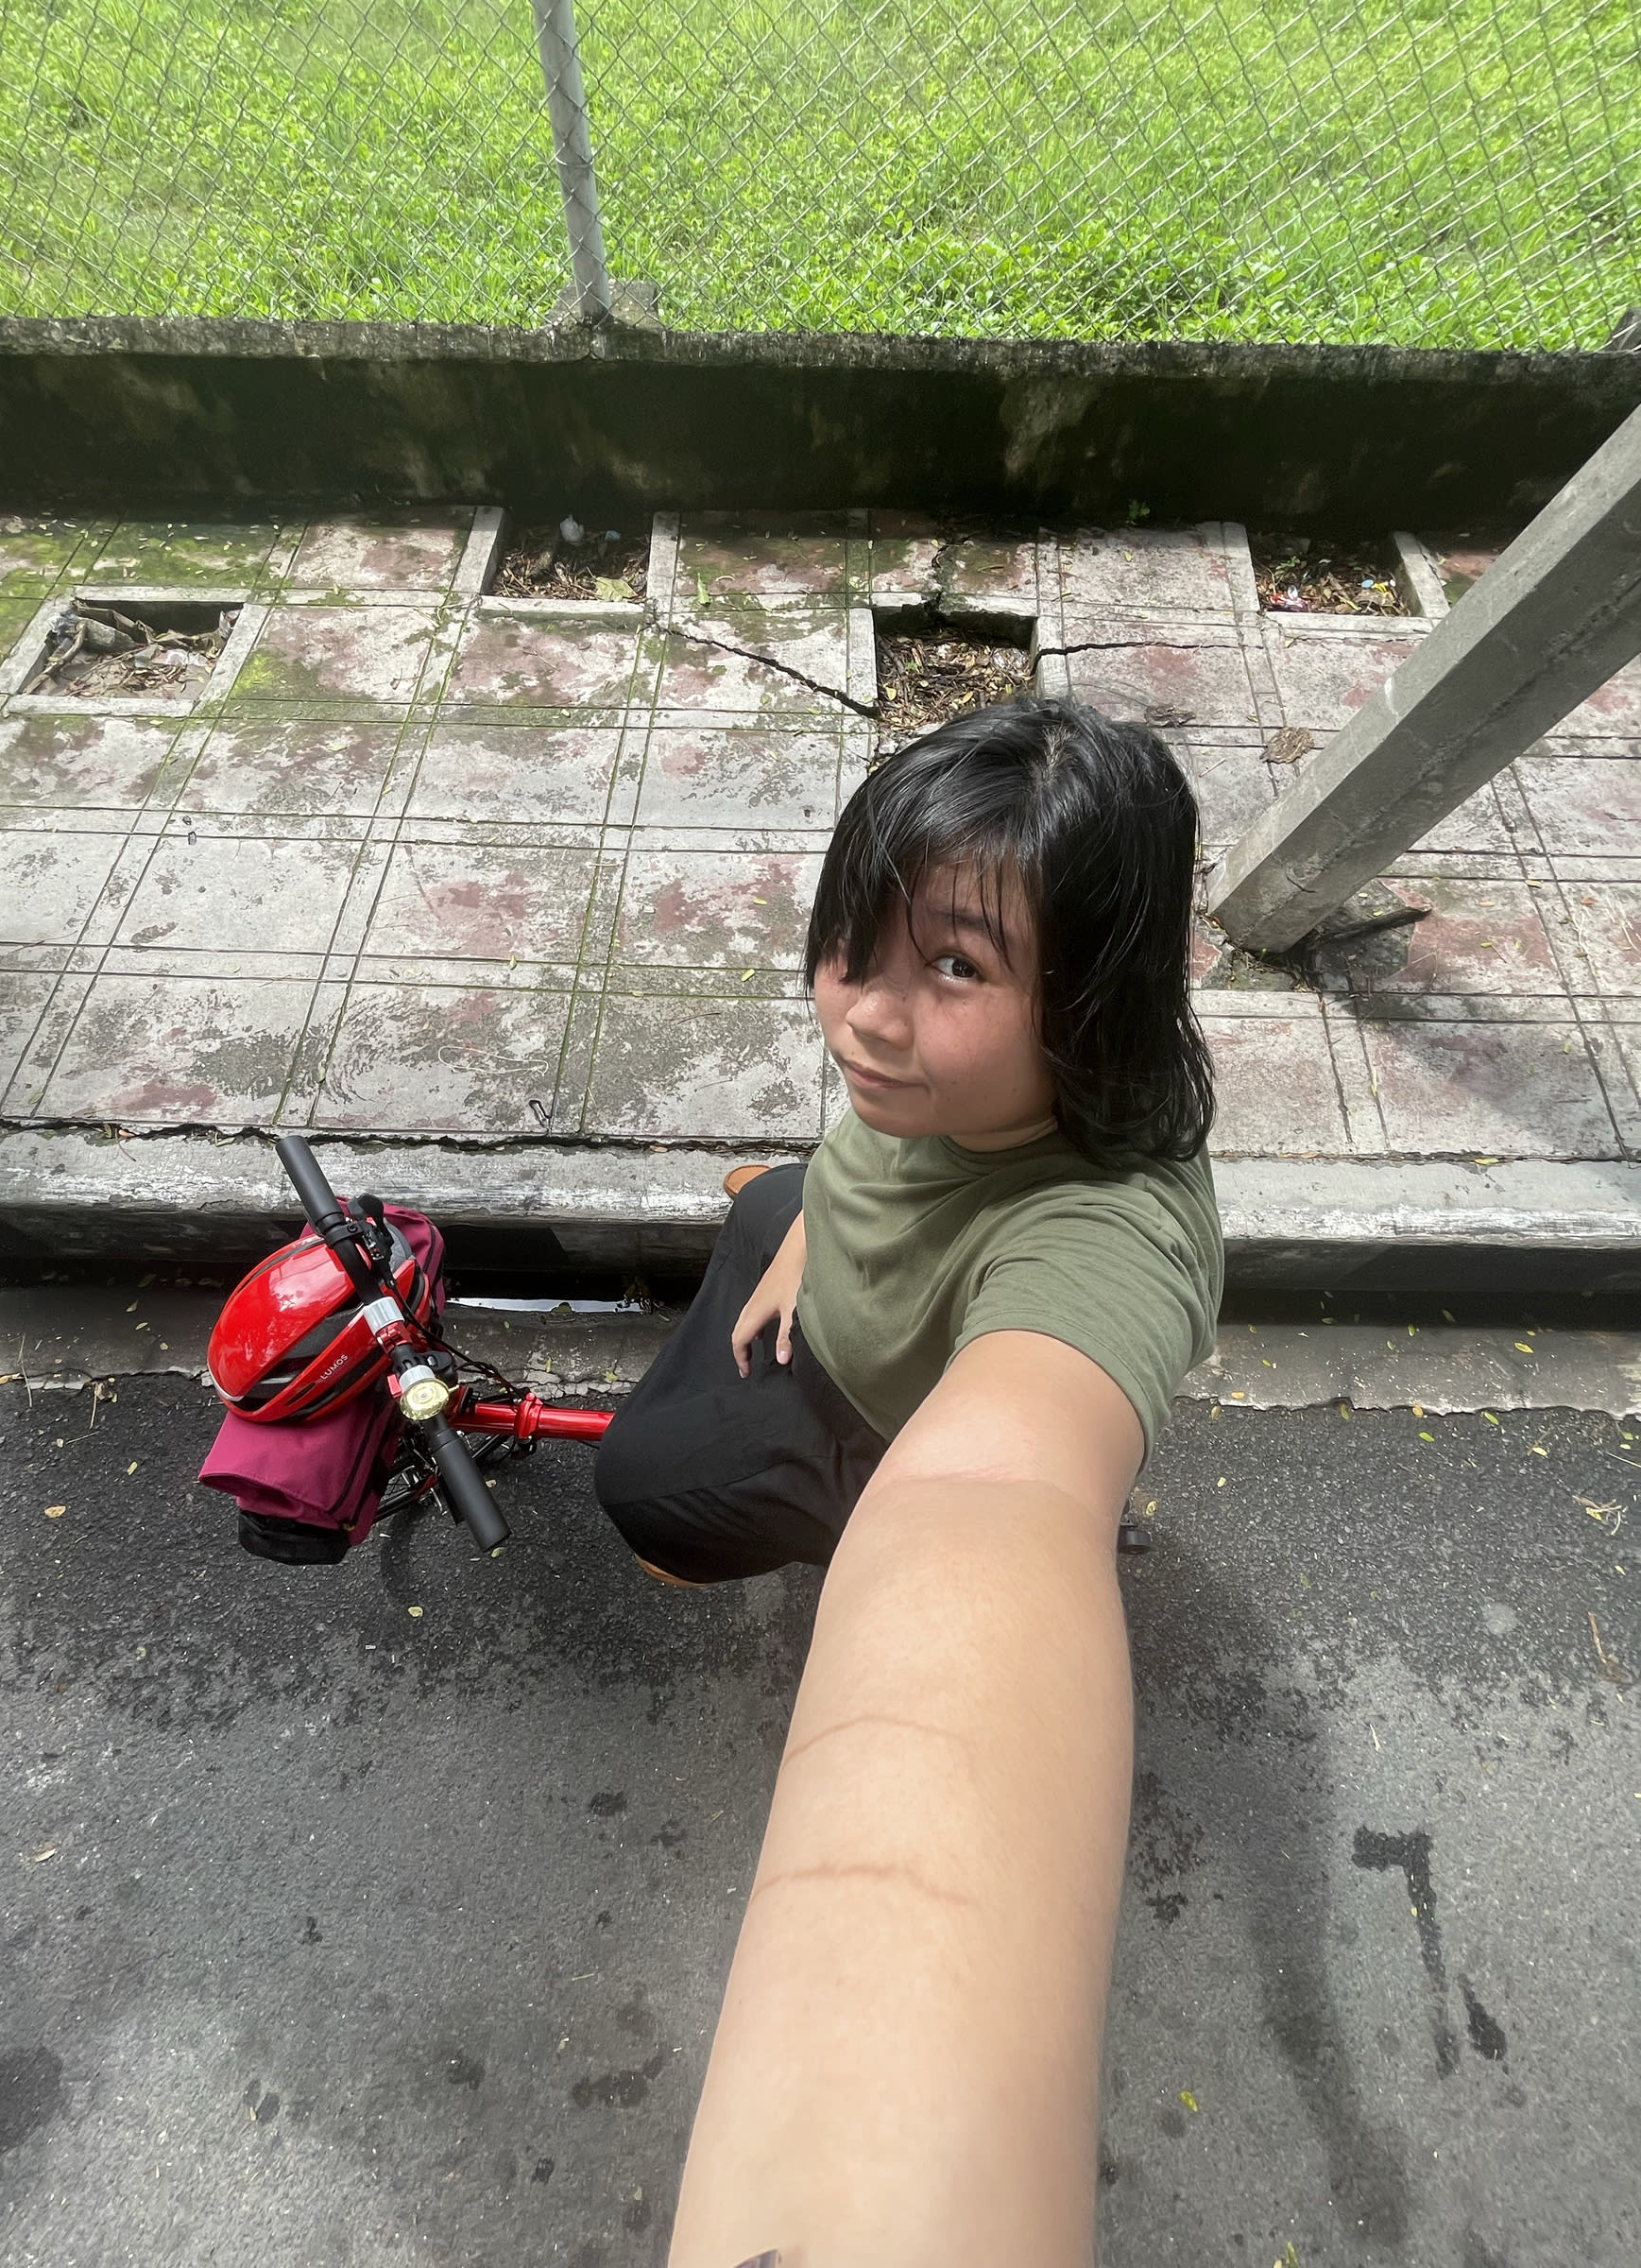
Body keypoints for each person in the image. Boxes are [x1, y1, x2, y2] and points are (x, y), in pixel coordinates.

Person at [592, 696, 1223, 2268]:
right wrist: (817, 1215)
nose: (863, 1019)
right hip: (824, 1280)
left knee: (649, 1487)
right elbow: (874, 1126)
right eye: (851, 947)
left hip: (882, 1434)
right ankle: (773, 1218)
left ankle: (780, 1514)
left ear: (1092, 998)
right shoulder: (928, 1080)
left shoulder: (1108, 1233)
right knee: (764, 1219)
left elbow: (993, 1506)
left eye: (953, 965)